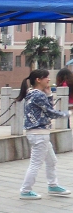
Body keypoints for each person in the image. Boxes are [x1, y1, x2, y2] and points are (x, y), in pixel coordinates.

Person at [16, 69, 71, 200]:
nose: (49, 79)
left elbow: (47, 109)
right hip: (39, 133)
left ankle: (53, 185)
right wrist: (68, 113)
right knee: (36, 163)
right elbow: (51, 113)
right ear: (38, 80)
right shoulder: (38, 95)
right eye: (46, 77)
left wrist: (49, 95)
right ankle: (26, 190)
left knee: (52, 160)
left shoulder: (32, 93)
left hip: (38, 133)